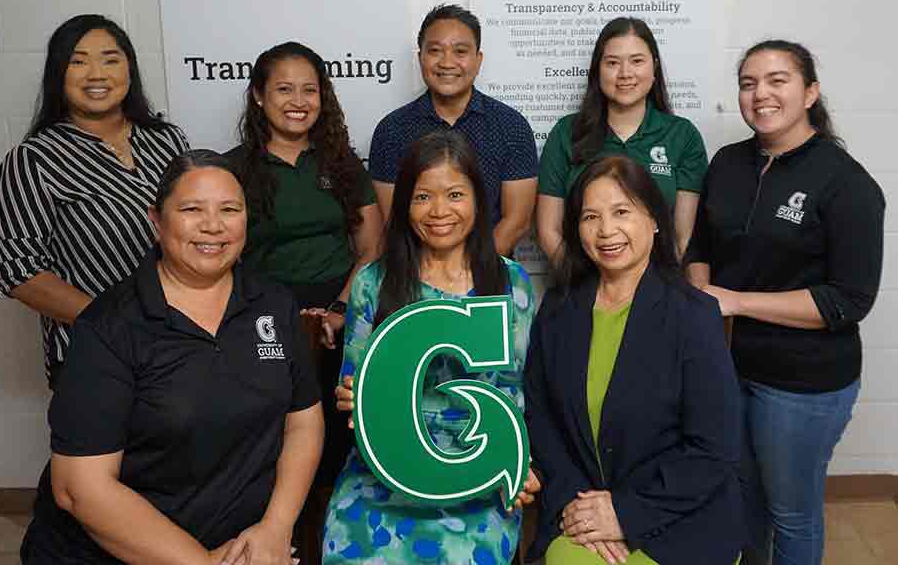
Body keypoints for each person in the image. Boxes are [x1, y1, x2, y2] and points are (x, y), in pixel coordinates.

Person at [19, 150, 324, 564]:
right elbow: (80, 488)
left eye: (229, 209)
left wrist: (275, 527)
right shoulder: (110, 326)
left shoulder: (273, 304)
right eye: (192, 209)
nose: (213, 226)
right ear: (156, 221)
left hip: (241, 545)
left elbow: (303, 423)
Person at [686, 40, 885, 565]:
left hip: (804, 385)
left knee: (791, 513)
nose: (760, 94)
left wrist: (733, 303)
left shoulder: (847, 183)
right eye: (749, 83)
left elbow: (849, 300)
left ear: (810, 92)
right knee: (743, 502)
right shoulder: (728, 163)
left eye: (777, 80)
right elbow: (701, 244)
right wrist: (706, 303)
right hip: (732, 368)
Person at [324, 129, 539, 564]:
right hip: (386, 466)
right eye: (423, 197)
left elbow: (520, 391)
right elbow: (354, 387)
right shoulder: (373, 282)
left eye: (455, 194)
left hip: (478, 461)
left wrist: (518, 461)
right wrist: (353, 396)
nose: (439, 211)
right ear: (404, 204)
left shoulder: (510, 282)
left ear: (478, 200)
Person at [525, 156, 744, 565]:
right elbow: (541, 416)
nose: (607, 231)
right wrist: (585, 510)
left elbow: (713, 451)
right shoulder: (558, 307)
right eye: (591, 216)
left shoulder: (693, 316)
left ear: (655, 220)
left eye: (622, 211)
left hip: (682, 518)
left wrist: (624, 513)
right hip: (582, 507)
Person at [0, 14, 189, 387]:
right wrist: (114, 324)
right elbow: (17, 270)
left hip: (182, 342)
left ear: (130, 70)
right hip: (94, 352)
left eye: (110, 59)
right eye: (78, 61)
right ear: (58, 75)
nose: (97, 74)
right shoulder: (34, 159)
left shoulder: (168, 140)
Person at [226, 41, 382, 494]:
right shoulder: (235, 169)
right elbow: (223, 257)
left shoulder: (343, 163)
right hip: (261, 316)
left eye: (309, 90)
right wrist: (280, 319)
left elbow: (371, 246)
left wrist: (338, 309)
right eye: (284, 89)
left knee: (339, 429)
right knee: (275, 433)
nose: (298, 102)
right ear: (258, 95)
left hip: (341, 308)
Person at [369, 4, 538, 256]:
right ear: (420, 58)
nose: (447, 62)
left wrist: (469, 275)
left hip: (488, 274)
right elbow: (393, 222)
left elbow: (516, 222)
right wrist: (431, 277)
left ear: (478, 60)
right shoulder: (391, 131)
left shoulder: (511, 126)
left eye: (460, 51)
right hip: (414, 277)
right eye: (435, 51)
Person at [536, 17, 707, 264]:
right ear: (598, 69)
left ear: (654, 67)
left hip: (658, 286)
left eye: (637, 61)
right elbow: (548, 231)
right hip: (581, 286)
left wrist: (654, 287)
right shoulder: (567, 132)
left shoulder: (682, 135)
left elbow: (682, 238)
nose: (625, 73)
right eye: (613, 63)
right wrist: (583, 283)